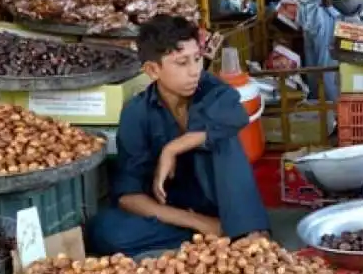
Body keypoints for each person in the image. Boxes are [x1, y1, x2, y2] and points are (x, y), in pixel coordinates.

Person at [86, 15, 270, 257]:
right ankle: (216, 236)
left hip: (227, 207)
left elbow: (236, 115)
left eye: (197, 59)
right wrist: (200, 223)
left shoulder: (210, 89)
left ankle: (246, 231)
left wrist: (172, 148)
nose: (194, 71)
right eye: (182, 63)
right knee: (103, 231)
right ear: (152, 70)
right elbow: (128, 195)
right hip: (178, 214)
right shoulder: (137, 112)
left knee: (221, 137)